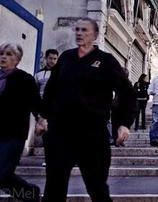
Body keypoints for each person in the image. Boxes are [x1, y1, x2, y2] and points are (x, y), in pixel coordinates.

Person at [41, 17, 137, 201]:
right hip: (61, 133)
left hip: (92, 134)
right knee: (54, 187)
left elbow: (127, 93)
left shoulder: (106, 61)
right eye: (77, 29)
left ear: (95, 35)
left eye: (84, 30)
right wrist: (43, 117)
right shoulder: (66, 58)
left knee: (97, 188)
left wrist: (124, 124)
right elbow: (51, 90)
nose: (79, 33)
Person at [0, 43, 42, 201]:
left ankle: (29, 193)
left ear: (17, 59)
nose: (4, 57)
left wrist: (41, 120)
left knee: (2, 173)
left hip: (13, 134)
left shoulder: (25, 79)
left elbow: (36, 103)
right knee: (3, 176)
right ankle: (30, 195)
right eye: (2, 53)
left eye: (9, 54)